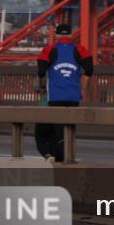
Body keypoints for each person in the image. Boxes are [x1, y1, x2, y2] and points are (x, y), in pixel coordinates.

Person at [36, 24, 94, 162]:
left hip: (55, 96)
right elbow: (89, 71)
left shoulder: (48, 50)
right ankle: (68, 154)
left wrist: (43, 86)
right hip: (74, 96)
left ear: (56, 35)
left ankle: (60, 156)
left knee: (57, 127)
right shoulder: (81, 49)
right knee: (70, 126)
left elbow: (41, 71)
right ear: (71, 34)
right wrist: (83, 90)